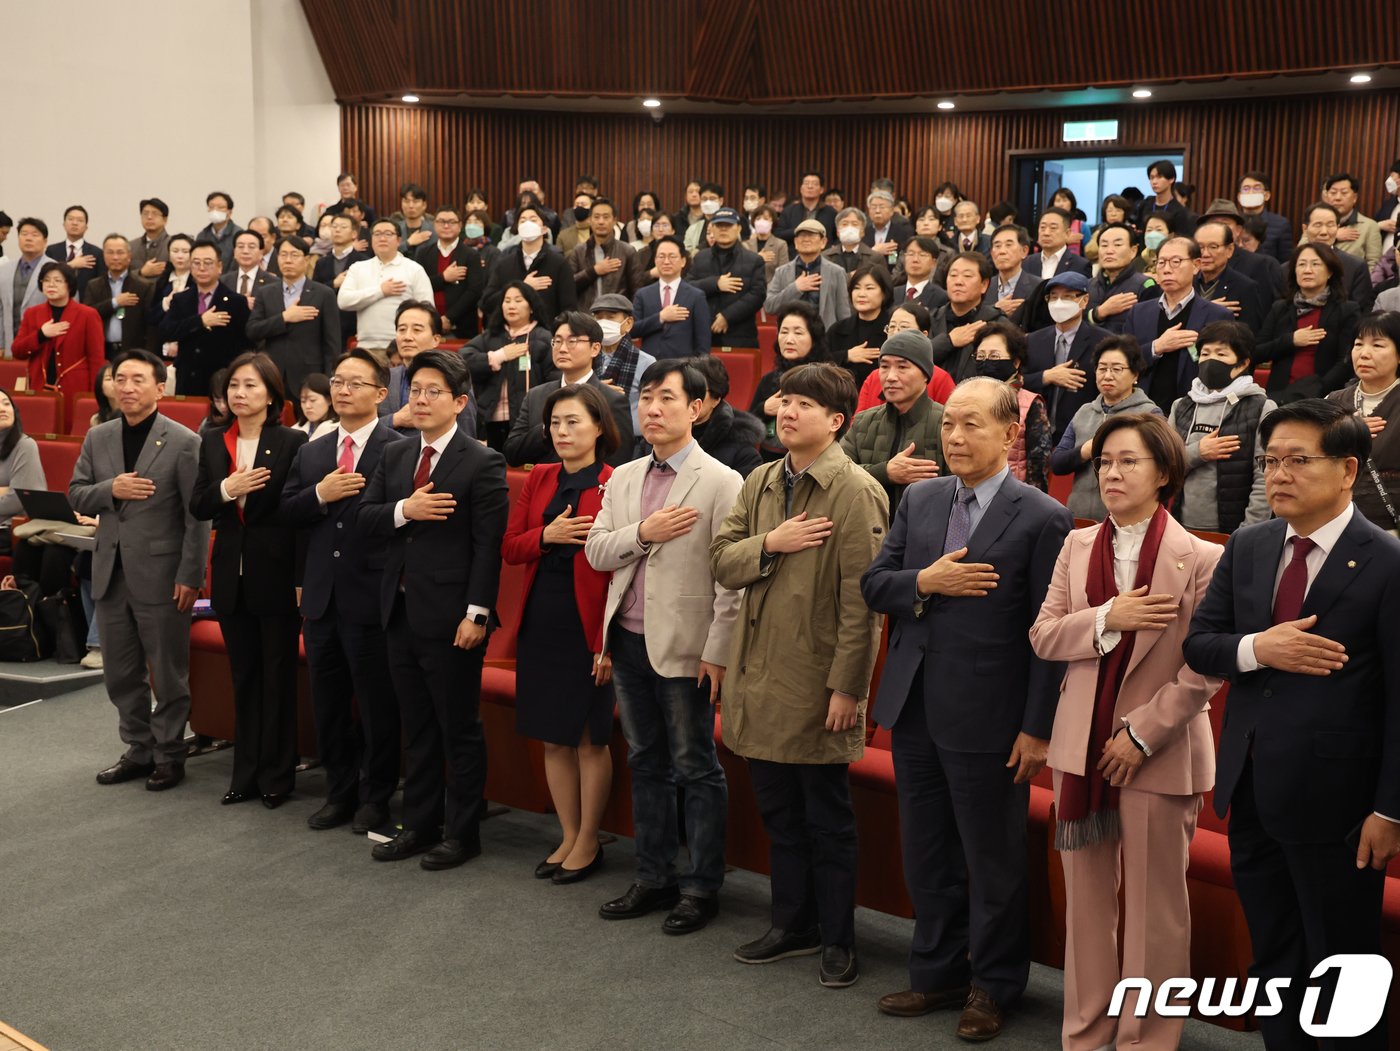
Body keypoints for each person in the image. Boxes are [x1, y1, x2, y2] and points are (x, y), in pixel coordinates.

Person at [1183, 399, 1400, 1050]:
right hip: (1250, 787)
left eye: (1297, 460)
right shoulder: (1249, 545)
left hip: (1341, 805)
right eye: (1269, 461)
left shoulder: (1386, 560)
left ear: (1347, 469)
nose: (1278, 474)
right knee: (1275, 955)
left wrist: (1390, 809)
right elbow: (1201, 644)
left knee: (1341, 964)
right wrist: (1259, 647)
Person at [861, 376, 1072, 1041]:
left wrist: (1037, 728)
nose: (953, 436)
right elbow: (875, 584)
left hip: (991, 716)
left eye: (971, 424)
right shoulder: (921, 498)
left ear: (1011, 433)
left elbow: (1048, 637)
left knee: (992, 858)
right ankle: (937, 972)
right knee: (927, 851)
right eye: (948, 423)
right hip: (914, 706)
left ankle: (994, 984)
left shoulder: (1042, 516)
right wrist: (925, 581)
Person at [1029, 413, 1223, 1051]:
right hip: (1081, 747)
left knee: (1154, 911)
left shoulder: (1203, 556)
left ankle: (1147, 1040)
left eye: (1129, 461)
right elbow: (1044, 635)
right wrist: (1109, 615)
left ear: (1164, 472)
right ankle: (1085, 1035)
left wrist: (1142, 733)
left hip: (1160, 750)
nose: (1111, 473)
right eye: (1105, 461)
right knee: (1086, 908)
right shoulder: (1076, 545)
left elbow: (1207, 666)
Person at [712, 361, 888, 988]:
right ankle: (792, 923)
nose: (786, 412)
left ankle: (837, 938)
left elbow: (863, 604)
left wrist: (848, 688)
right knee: (780, 815)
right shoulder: (761, 479)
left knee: (827, 822)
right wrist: (771, 543)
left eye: (804, 405)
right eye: (784, 400)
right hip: (757, 673)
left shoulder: (856, 490)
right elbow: (721, 561)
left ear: (837, 421)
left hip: (815, 681)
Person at [585, 359, 742, 930]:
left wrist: (717, 650)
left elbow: (731, 580)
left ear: (696, 408)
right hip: (626, 641)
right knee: (646, 761)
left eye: (666, 398)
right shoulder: (624, 476)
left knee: (695, 766)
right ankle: (653, 876)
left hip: (686, 648)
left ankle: (701, 886)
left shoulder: (722, 480)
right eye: (646, 397)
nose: (652, 408)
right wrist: (643, 534)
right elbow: (597, 551)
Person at [359, 349, 509, 869]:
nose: (420, 400)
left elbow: (488, 547)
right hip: (399, 610)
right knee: (417, 727)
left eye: (433, 392)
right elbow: (366, 517)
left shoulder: (483, 460)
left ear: (460, 402)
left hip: (453, 617)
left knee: (458, 728)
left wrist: (478, 614)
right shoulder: (396, 453)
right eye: (415, 390)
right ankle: (419, 825)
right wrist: (407, 509)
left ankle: (462, 833)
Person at [71, 351, 209, 792]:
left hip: (164, 574)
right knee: (119, 672)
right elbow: (76, 493)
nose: (127, 387)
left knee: (167, 672)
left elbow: (197, 516)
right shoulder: (99, 436)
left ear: (160, 388)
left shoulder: (184, 440)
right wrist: (111, 489)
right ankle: (138, 747)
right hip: (110, 571)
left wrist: (191, 575)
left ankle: (170, 752)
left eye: (137, 379)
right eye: (120, 378)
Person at [280, 349, 405, 833]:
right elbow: (288, 512)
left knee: (376, 704)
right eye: (337, 382)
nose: (343, 390)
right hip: (321, 597)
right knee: (328, 702)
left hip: (372, 593)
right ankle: (339, 791)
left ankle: (376, 796)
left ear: (381, 393)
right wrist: (319, 495)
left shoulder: (398, 448)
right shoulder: (312, 449)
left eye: (355, 383)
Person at [503, 383, 619, 884]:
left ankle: (590, 839)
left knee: (590, 738)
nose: (562, 431)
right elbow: (511, 546)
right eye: (555, 423)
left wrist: (607, 643)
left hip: (589, 623)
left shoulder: (616, 481)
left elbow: (624, 570)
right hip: (542, 617)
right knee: (553, 737)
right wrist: (545, 537)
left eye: (573, 422)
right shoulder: (540, 476)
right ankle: (568, 834)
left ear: (599, 427)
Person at [191, 352, 307, 808]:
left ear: (272, 394)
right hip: (229, 577)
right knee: (244, 677)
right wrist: (227, 489)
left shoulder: (293, 441)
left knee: (278, 677)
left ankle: (277, 776)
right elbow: (199, 504)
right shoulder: (212, 439)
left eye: (251, 386)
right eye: (234, 386)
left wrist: (300, 577)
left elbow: (297, 514)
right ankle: (245, 774)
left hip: (276, 574)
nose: (240, 394)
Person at [1169, 320, 1275, 533]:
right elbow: (1164, 465)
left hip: (1234, 529)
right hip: (1180, 525)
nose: (1211, 360)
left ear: (1242, 364)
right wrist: (1198, 452)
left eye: (1221, 354)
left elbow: (1265, 476)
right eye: (1205, 353)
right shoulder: (1181, 406)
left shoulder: (1261, 406)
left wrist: (1248, 532)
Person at [1052, 337, 1164, 521]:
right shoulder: (1084, 412)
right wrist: (1085, 451)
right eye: (1102, 368)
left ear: (1135, 375)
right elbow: (1057, 463)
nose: (1108, 375)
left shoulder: (1149, 414)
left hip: (1129, 520)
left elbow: (1162, 465)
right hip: (1079, 516)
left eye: (1117, 369)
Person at [504, 311, 634, 468]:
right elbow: (512, 453)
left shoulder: (611, 400)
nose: (562, 348)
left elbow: (620, 461)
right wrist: (548, 427)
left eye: (572, 341)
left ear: (595, 348)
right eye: (557, 341)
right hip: (546, 482)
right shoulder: (536, 396)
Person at [839, 330, 947, 512]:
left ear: (925, 374)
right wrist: (885, 472)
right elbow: (836, 475)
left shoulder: (947, 423)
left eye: (902, 367)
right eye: (884, 366)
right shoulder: (863, 422)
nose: (890, 376)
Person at [1125, 236, 1233, 412]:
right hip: (1142, 410)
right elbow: (1124, 360)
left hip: (1195, 410)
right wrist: (1156, 347)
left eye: (1176, 262)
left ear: (1196, 265)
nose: (1167, 269)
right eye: (1161, 262)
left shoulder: (1217, 315)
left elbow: (1224, 368)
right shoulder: (1138, 312)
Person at [1254, 242, 1361, 403]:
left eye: (1315, 264)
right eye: (1301, 264)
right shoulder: (1280, 308)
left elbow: (1346, 361)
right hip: (1279, 396)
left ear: (1330, 272)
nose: (1307, 270)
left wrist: (1318, 390)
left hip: (1324, 397)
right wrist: (1291, 340)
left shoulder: (1346, 310)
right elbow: (1257, 352)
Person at [1326, 310, 1400, 535]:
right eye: (1358, 344)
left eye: (1377, 345)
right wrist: (1341, 432)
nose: (1364, 354)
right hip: (1336, 522)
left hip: (1390, 528)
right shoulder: (1333, 401)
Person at [463, 281, 557, 451]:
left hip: (527, 421)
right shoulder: (490, 336)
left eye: (518, 300)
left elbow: (554, 378)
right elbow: (462, 359)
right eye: (507, 301)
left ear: (531, 307)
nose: (511, 305)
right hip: (490, 419)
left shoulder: (544, 338)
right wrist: (499, 356)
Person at [246, 236, 342, 401]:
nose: (288, 260)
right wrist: (284, 318)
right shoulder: (265, 292)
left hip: (310, 375)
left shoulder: (323, 294)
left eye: (294, 255)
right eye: (283, 255)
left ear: (306, 260)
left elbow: (332, 343)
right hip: (272, 373)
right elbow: (252, 330)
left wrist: (328, 380)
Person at [1023, 272, 1112, 442]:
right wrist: (1046, 377)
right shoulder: (1032, 341)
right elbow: (1017, 382)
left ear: (1084, 300)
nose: (1058, 303)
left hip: (1082, 436)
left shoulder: (1104, 341)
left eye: (1067, 297)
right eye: (1053, 297)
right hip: (1035, 436)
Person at [160, 240, 251, 397]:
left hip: (221, 380)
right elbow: (166, 331)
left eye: (208, 263)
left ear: (219, 267)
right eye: (196, 263)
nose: (201, 268)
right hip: (187, 379)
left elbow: (246, 344)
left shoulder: (236, 301)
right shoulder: (181, 299)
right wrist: (200, 321)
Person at [12, 262, 105, 413]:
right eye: (46, 280)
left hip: (75, 388)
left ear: (69, 285)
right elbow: (17, 351)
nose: (51, 285)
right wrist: (41, 335)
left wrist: (94, 396)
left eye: (58, 280)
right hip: (39, 386)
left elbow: (96, 359)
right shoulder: (32, 313)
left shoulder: (87, 314)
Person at [971, 321, 1052, 492]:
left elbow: (1038, 463)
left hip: (1013, 494)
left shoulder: (1031, 403)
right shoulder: (967, 399)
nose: (986, 361)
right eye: (980, 356)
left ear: (1015, 362)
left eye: (994, 356)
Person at [379, 301, 477, 440]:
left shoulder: (454, 376)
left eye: (417, 330)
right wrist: (395, 419)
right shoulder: (383, 378)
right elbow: (361, 429)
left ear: (436, 339)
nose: (407, 337)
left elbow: (466, 433)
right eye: (402, 330)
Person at [336, 219, 434, 353]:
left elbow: (427, 309)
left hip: (403, 346)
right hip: (366, 345)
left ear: (399, 240)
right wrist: (380, 291)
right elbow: (343, 301)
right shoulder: (358, 268)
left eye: (388, 234)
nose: (382, 238)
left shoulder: (414, 269)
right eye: (377, 234)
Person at [751, 302, 829, 462]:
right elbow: (748, 428)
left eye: (798, 333)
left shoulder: (827, 381)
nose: (789, 340)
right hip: (770, 461)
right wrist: (763, 409)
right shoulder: (769, 379)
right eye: (784, 332)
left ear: (813, 338)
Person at [854, 302, 957, 412]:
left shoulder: (940, 379)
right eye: (892, 327)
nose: (895, 333)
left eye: (904, 327)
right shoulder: (874, 378)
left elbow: (951, 417)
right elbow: (858, 420)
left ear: (923, 335)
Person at [482, 203, 577, 322]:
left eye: (533, 220)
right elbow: (487, 302)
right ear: (518, 229)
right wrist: (522, 287)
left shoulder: (559, 263)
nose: (527, 224)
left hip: (548, 330)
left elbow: (569, 308)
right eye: (523, 221)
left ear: (544, 229)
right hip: (510, 330)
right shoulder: (504, 264)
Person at [687, 207, 766, 349]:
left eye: (728, 225)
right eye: (719, 225)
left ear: (739, 228)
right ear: (712, 228)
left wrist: (727, 316)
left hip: (741, 336)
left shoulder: (754, 260)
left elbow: (758, 295)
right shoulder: (700, 257)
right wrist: (715, 283)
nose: (723, 229)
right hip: (704, 336)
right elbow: (687, 288)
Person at [630, 236, 712, 360]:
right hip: (650, 365)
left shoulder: (696, 296)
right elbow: (632, 330)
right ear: (655, 260)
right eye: (661, 256)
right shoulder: (642, 294)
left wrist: (698, 368)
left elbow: (703, 342)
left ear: (683, 261)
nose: (666, 261)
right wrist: (660, 317)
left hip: (682, 365)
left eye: (672, 256)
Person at [764, 219, 852, 330]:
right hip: (792, 335)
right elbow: (769, 306)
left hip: (826, 336)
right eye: (802, 235)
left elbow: (843, 313)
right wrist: (796, 288)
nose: (806, 239)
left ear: (823, 242)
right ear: (795, 242)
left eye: (812, 235)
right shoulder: (781, 272)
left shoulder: (837, 272)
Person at [928, 253, 1003, 382]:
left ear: (984, 285)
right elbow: (912, 359)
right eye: (953, 275)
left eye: (967, 276)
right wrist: (948, 342)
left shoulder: (997, 323)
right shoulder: (930, 319)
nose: (958, 282)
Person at [414, 206, 486, 339]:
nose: (446, 226)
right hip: (428, 324)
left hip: (462, 327)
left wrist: (449, 318)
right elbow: (418, 285)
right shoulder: (423, 253)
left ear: (460, 225)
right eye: (441, 221)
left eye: (451, 222)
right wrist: (443, 278)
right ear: (434, 224)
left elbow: (474, 291)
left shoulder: (471, 255)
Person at [687, 354, 764, 477]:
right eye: (685, 390)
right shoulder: (662, 437)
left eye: (699, 391)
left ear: (716, 398)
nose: (690, 398)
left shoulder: (743, 454)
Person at [83, 234, 157, 358]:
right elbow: (87, 315)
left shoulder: (144, 286)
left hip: (134, 352)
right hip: (102, 351)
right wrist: (115, 303)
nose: (115, 257)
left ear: (129, 256)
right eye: (110, 252)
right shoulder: (93, 285)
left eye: (120, 252)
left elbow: (152, 325)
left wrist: (149, 356)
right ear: (104, 256)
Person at [591, 293, 654, 434]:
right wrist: (595, 390)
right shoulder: (584, 358)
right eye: (599, 318)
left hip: (632, 437)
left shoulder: (646, 362)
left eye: (610, 317)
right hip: (591, 434)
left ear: (628, 323)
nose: (604, 323)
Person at [1297, 201, 1376, 311]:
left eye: (1330, 225)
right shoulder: (1290, 266)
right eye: (1318, 225)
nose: (1324, 232)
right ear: (1305, 229)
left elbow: (1362, 311)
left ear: (1338, 227)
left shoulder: (1356, 266)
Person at [1193, 220, 1269, 334]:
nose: (1205, 254)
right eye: (1200, 247)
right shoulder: (1185, 282)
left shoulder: (1245, 287)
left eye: (1213, 247)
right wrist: (1209, 310)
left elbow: (1248, 335)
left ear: (1230, 250)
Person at [1084, 223, 1157, 334]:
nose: (1109, 251)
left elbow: (1148, 330)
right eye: (1104, 245)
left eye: (1117, 245)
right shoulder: (1088, 285)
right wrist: (1099, 313)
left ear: (1133, 251)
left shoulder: (1145, 285)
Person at [828, 265, 892, 389]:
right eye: (856, 288)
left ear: (884, 293)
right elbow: (819, 362)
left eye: (869, 288)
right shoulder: (837, 329)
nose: (861, 294)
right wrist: (846, 356)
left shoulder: (893, 329)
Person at [570, 197, 638, 312]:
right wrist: (594, 271)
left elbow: (636, 291)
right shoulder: (578, 251)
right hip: (585, 316)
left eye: (606, 217)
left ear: (614, 220)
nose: (601, 221)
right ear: (590, 220)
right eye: (596, 217)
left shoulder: (627, 251)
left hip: (617, 315)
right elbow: (569, 286)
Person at [0, 390, 47, 541]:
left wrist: (8, 491)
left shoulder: (25, 446)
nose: (2, 409)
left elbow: (18, 499)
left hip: (11, 528)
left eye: (6, 404)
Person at [0, 217, 54, 349]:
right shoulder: (4, 270)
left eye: (35, 235)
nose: (28, 238)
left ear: (45, 241)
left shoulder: (56, 270)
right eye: (24, 234)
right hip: (9, 345)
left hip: (44, 345)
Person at [1322, 172, 1382, 269]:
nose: (1337, 198)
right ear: (1327, 197)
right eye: (1333, 193)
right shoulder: (1316, 222)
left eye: (1344, 193)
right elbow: (1302, 251)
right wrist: (1333, 236)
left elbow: (1374, 265)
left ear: (1354, 198)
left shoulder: (1369, 226)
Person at [984, 225, 1039, 324]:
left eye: (1008, 245)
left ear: (1024, 251)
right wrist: (995, 310)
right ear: (991, 253)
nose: (1002, 251)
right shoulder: (983, 286)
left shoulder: (1038, 286)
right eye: (997, 246)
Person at [1236, 171, 1294, 263]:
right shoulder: (1233, 222)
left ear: (1266, 195)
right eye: (1246, 189)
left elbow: (1285, 262)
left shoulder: (1281, 224)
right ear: (1239, 196)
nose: (1251, 192)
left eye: (1256, 188)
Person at [1023, 208, 1092, 282]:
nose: (1046, 233)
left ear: (1067, 233)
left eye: (1053, 228)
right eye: (1042, 227)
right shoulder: (1027, 262)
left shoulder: (1080, 265)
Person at [774, 170, 838, 244]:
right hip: (795, 250)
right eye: (806, 183)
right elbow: (778, 234)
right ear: (801, 189)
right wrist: (798, 230)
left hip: (823, 250)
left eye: (814, 184)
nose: (810, 186)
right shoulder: (789, 211)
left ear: (821, 190)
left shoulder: (831, 212)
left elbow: (837, 237)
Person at [46, 205, 106, 285]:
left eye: (80, 220)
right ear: (64, 224)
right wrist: (71, 265)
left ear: (86, 227)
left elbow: (101, 282)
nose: (74, 223)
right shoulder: (51, 250)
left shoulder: (97, 253)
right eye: (70, 219)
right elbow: (46, 276)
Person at [891, 236, 950, 313]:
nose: (915, 260)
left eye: (922, 255)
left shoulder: (942, 297)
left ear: (934, 263)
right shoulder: (892, 294)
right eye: (911, 254)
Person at [743, 204, 789, 283]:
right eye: (758, 218)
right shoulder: (745, 245)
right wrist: (758, 259)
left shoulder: (780, 245)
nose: (761, 221)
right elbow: (742, 270)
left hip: (772, 288)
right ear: (753, 222)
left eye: (766, 219)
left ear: (772, 222)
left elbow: (783, 273)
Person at [197, 191, 242, 270]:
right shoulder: (202, 235)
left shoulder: (238, 235)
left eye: (220, 207)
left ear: (229, 212)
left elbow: (237, 264)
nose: (215, 210)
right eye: (211, 207)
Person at [130, 198, 172, 280]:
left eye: (155, 214)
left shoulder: (173, 245)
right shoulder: (131, 246)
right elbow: (121, 276)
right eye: (145, 214)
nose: (149, 217)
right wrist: (141, 272)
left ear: (165, 220)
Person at [293, 373, 338, 441]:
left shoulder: (339, 429)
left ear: (329, 400)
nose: (307, 406)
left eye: (312, 400)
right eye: (303, 401)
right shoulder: (295, 430)